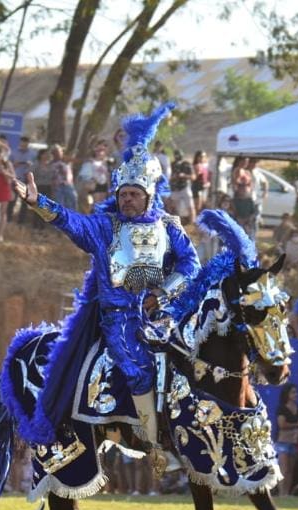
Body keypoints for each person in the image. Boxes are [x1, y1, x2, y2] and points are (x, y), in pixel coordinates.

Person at [15, 103, 200, 465]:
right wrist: (39, 203)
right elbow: (71, 221)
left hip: (162, 315)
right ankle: (154, 445)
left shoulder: (169, 227)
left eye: (134, 194)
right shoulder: (104, 227)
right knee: (137, 367)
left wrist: (163, 293)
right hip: (117, 318)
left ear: (148, 194)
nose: (127, 199)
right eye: (123, 193)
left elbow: (191, 263)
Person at [275, 383, 298, 497]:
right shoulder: (282, 408)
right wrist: (297, 424)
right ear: (287, 394)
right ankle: (281, 493)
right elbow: (282, 424)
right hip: (283, 442)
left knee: (290, 470)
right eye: (293, 392)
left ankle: (286, 493)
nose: (296, 394)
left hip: (294, 443)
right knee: (283, 469)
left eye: (296, 392)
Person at [167, 150, 195, 224]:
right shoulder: (173, 164)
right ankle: (175, 223)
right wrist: (173, 177)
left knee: (190, 206)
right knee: (173, 207)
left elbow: (193, 177)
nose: (177, 156)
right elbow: (171, 176)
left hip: (184, 187)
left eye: (178, 155)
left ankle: (192, 223)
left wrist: (184, 175)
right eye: (175, 155)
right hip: (175, 188)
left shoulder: (186, 164)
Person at [191, 150, 211, 215]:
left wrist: (208, 183)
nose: (202, 158)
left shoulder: (205, 165)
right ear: (197, 157)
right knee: (198, 205)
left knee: (204, 204)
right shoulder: (196, 165)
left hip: (204, 187)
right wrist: (197, 172)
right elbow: (194, 177)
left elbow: (207, 177)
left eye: (204, 156)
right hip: (197, 187)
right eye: (201, 157)